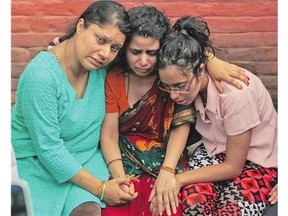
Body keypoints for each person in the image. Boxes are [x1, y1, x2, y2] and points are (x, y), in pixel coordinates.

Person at [100, 7, 248, 216]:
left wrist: (168, 171)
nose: (143, 61)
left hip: (166, 157)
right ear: (124, 49)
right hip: (122, 159)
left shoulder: (172, 77)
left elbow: (180, 125)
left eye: (151, 53)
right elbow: (109, 134)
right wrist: (118, 176)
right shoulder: (115, 77)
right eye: (135, 52)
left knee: (167, 206)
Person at [11, 1, 138, 215]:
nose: (105, 53)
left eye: (114, 48)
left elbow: (156, 50)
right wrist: (102, 188)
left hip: (87, 160)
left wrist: (210, 61)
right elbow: (49, 150)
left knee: (89, 211)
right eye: (100, 40)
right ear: (81, 27)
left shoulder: (102, 67)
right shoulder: (41, 76)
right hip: (39, 167)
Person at [156, 16, 277, 215]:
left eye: (179, 86)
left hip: (257, 162)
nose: (173, 95)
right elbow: (180, 35)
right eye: (167, 87)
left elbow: (233, 167)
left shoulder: (236, 95)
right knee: (193, 207)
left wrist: (177, 178)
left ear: (201, 69)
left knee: (230, 212)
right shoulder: (184, 77)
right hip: (213, 151)